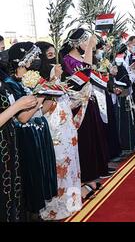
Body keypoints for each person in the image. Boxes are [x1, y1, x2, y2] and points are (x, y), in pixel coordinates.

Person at [5, 42, 58, 216]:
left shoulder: (32, 79)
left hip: (39, 131)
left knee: (43, 174)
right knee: (32, 179)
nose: (36, 60)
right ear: (21, 60)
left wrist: (52, 94)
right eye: (32, 57)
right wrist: (41, 94)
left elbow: (40, 111)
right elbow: (23, 117)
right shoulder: (10, 84)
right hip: (27, 136)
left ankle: (40, 213)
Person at [35, 42, 82, 220]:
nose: (56, 63)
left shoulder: (58, 82)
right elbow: (43, 110)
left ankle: (72, 202)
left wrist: (79, 99)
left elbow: (64, 106)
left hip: (68, 133)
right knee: (59, 168)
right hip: (54, 135)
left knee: (71, 167)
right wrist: (53, 83)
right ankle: (56, 209)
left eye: (55, 56)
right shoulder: (39, 84)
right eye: (49, 56)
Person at [61, 28, 111, 188]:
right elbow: (84, 74)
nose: (88, 45)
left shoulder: (81, 56)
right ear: (76, 43)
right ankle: (87, 175)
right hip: (77, 105)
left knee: (95, 136)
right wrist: (89, 47)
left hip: (89, 101)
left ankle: (96, 171)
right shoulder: (67, 60)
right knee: (85, 139)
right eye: (85, 41)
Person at [0, 68, 39, 221]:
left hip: (9, 147)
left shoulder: (3, 80)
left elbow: (20, 116)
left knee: (12, 194)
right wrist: (16, 106)